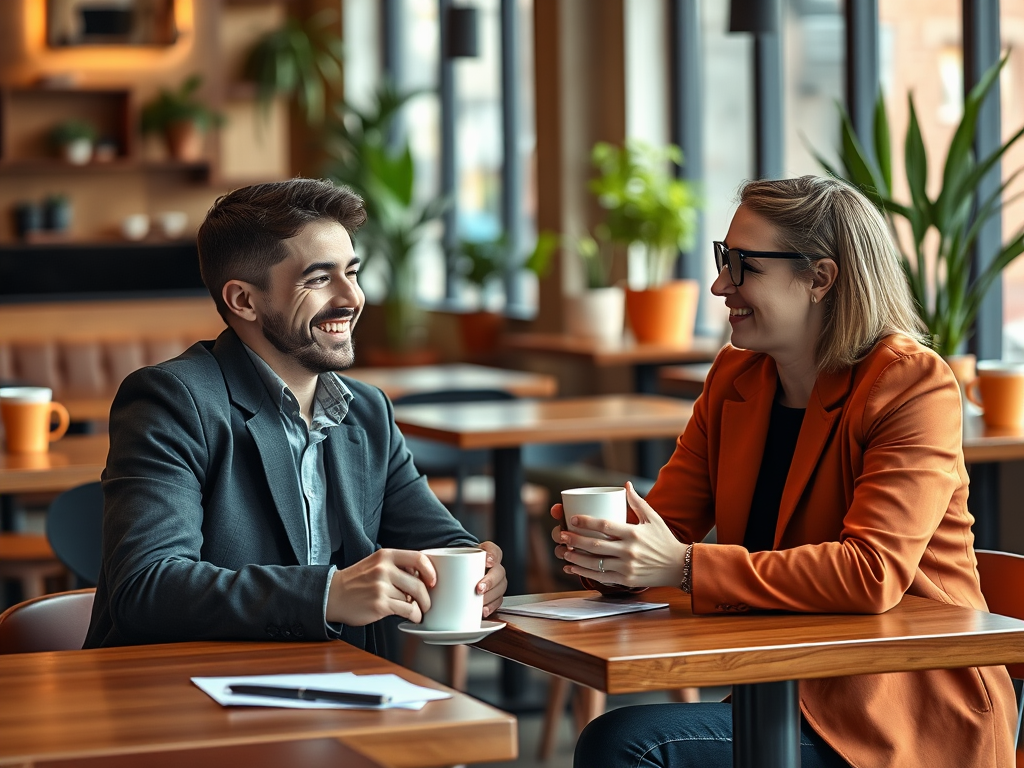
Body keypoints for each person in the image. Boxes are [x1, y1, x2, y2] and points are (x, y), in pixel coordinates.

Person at [552, 176, 1017, 767]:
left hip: (900, 711)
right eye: (724, 259)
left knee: (628, 745)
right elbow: (665, 527)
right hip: (780, 692)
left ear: (820, 279)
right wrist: (605, 549)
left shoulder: (910, 384)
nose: (720, 285)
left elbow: (870, 574)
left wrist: (684, 565)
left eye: (743, 265)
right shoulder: (735, 378)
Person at [85, 178, 506, 651]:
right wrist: (328, 595)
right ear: (243, 300)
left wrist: (476, 568)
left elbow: (437, 539)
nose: (352, 298)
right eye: (320, 278)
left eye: (353, 272)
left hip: (345, 689)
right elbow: (147, 588)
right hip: (188, 695)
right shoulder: (172, 400)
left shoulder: (367, 412)